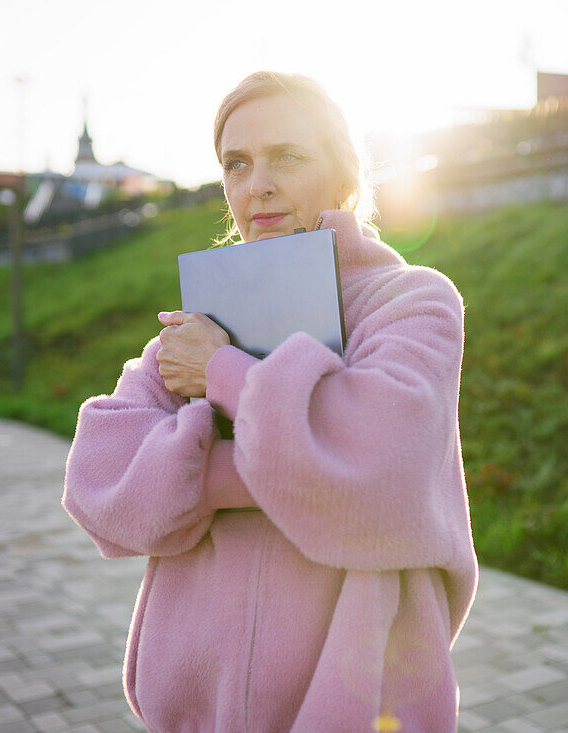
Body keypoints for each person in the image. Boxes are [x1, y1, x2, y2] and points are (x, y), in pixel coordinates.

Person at [62, 71, 477, 732]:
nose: (259, 183)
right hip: (198, 713)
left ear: (343, 174)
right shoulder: (199, 318)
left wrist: (222, 373)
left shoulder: (412, 301)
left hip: (365, 703)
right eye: (238, 163)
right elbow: (99, 478)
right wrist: (275, 461)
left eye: (287, 155)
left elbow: (377, 461)